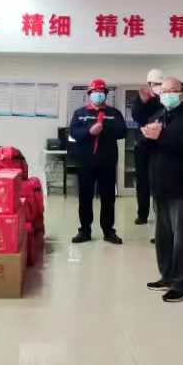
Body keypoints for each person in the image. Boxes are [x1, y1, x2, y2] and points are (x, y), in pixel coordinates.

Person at [140, 77, 183, 302]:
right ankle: (167, 276)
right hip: (160, 184)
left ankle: (182, 284)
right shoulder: (157, 116)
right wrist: (147, 138)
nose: (167, 94)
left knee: (181, 238)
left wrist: (161, 137)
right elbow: (144, 148)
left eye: (172, 90)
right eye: (164, 91)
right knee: (163, 236)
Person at [68, 79, 126, 244]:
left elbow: (123, 132)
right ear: (89, 94)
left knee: (108, 198)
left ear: (105, 94)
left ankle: (108, 231)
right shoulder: (80, 113)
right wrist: (89, 131)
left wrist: (104, 128)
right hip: (85, 162)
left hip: (107, 162)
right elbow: (73, 132)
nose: (98, 95)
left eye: (101, 92)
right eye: (94, 92)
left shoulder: (114, 113)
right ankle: (84, 231)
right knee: (85, 197)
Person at [131, 69, 165, 225]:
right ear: (149, 84)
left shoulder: (165, 98)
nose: (157, 86)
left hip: (162, 145)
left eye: (160, 83)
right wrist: (143, 101)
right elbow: (137, 116)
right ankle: (142, 214)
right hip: (144, 145)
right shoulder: (140, 99)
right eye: (155, 84)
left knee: (161, 180)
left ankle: (161, 215)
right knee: (142, 180)